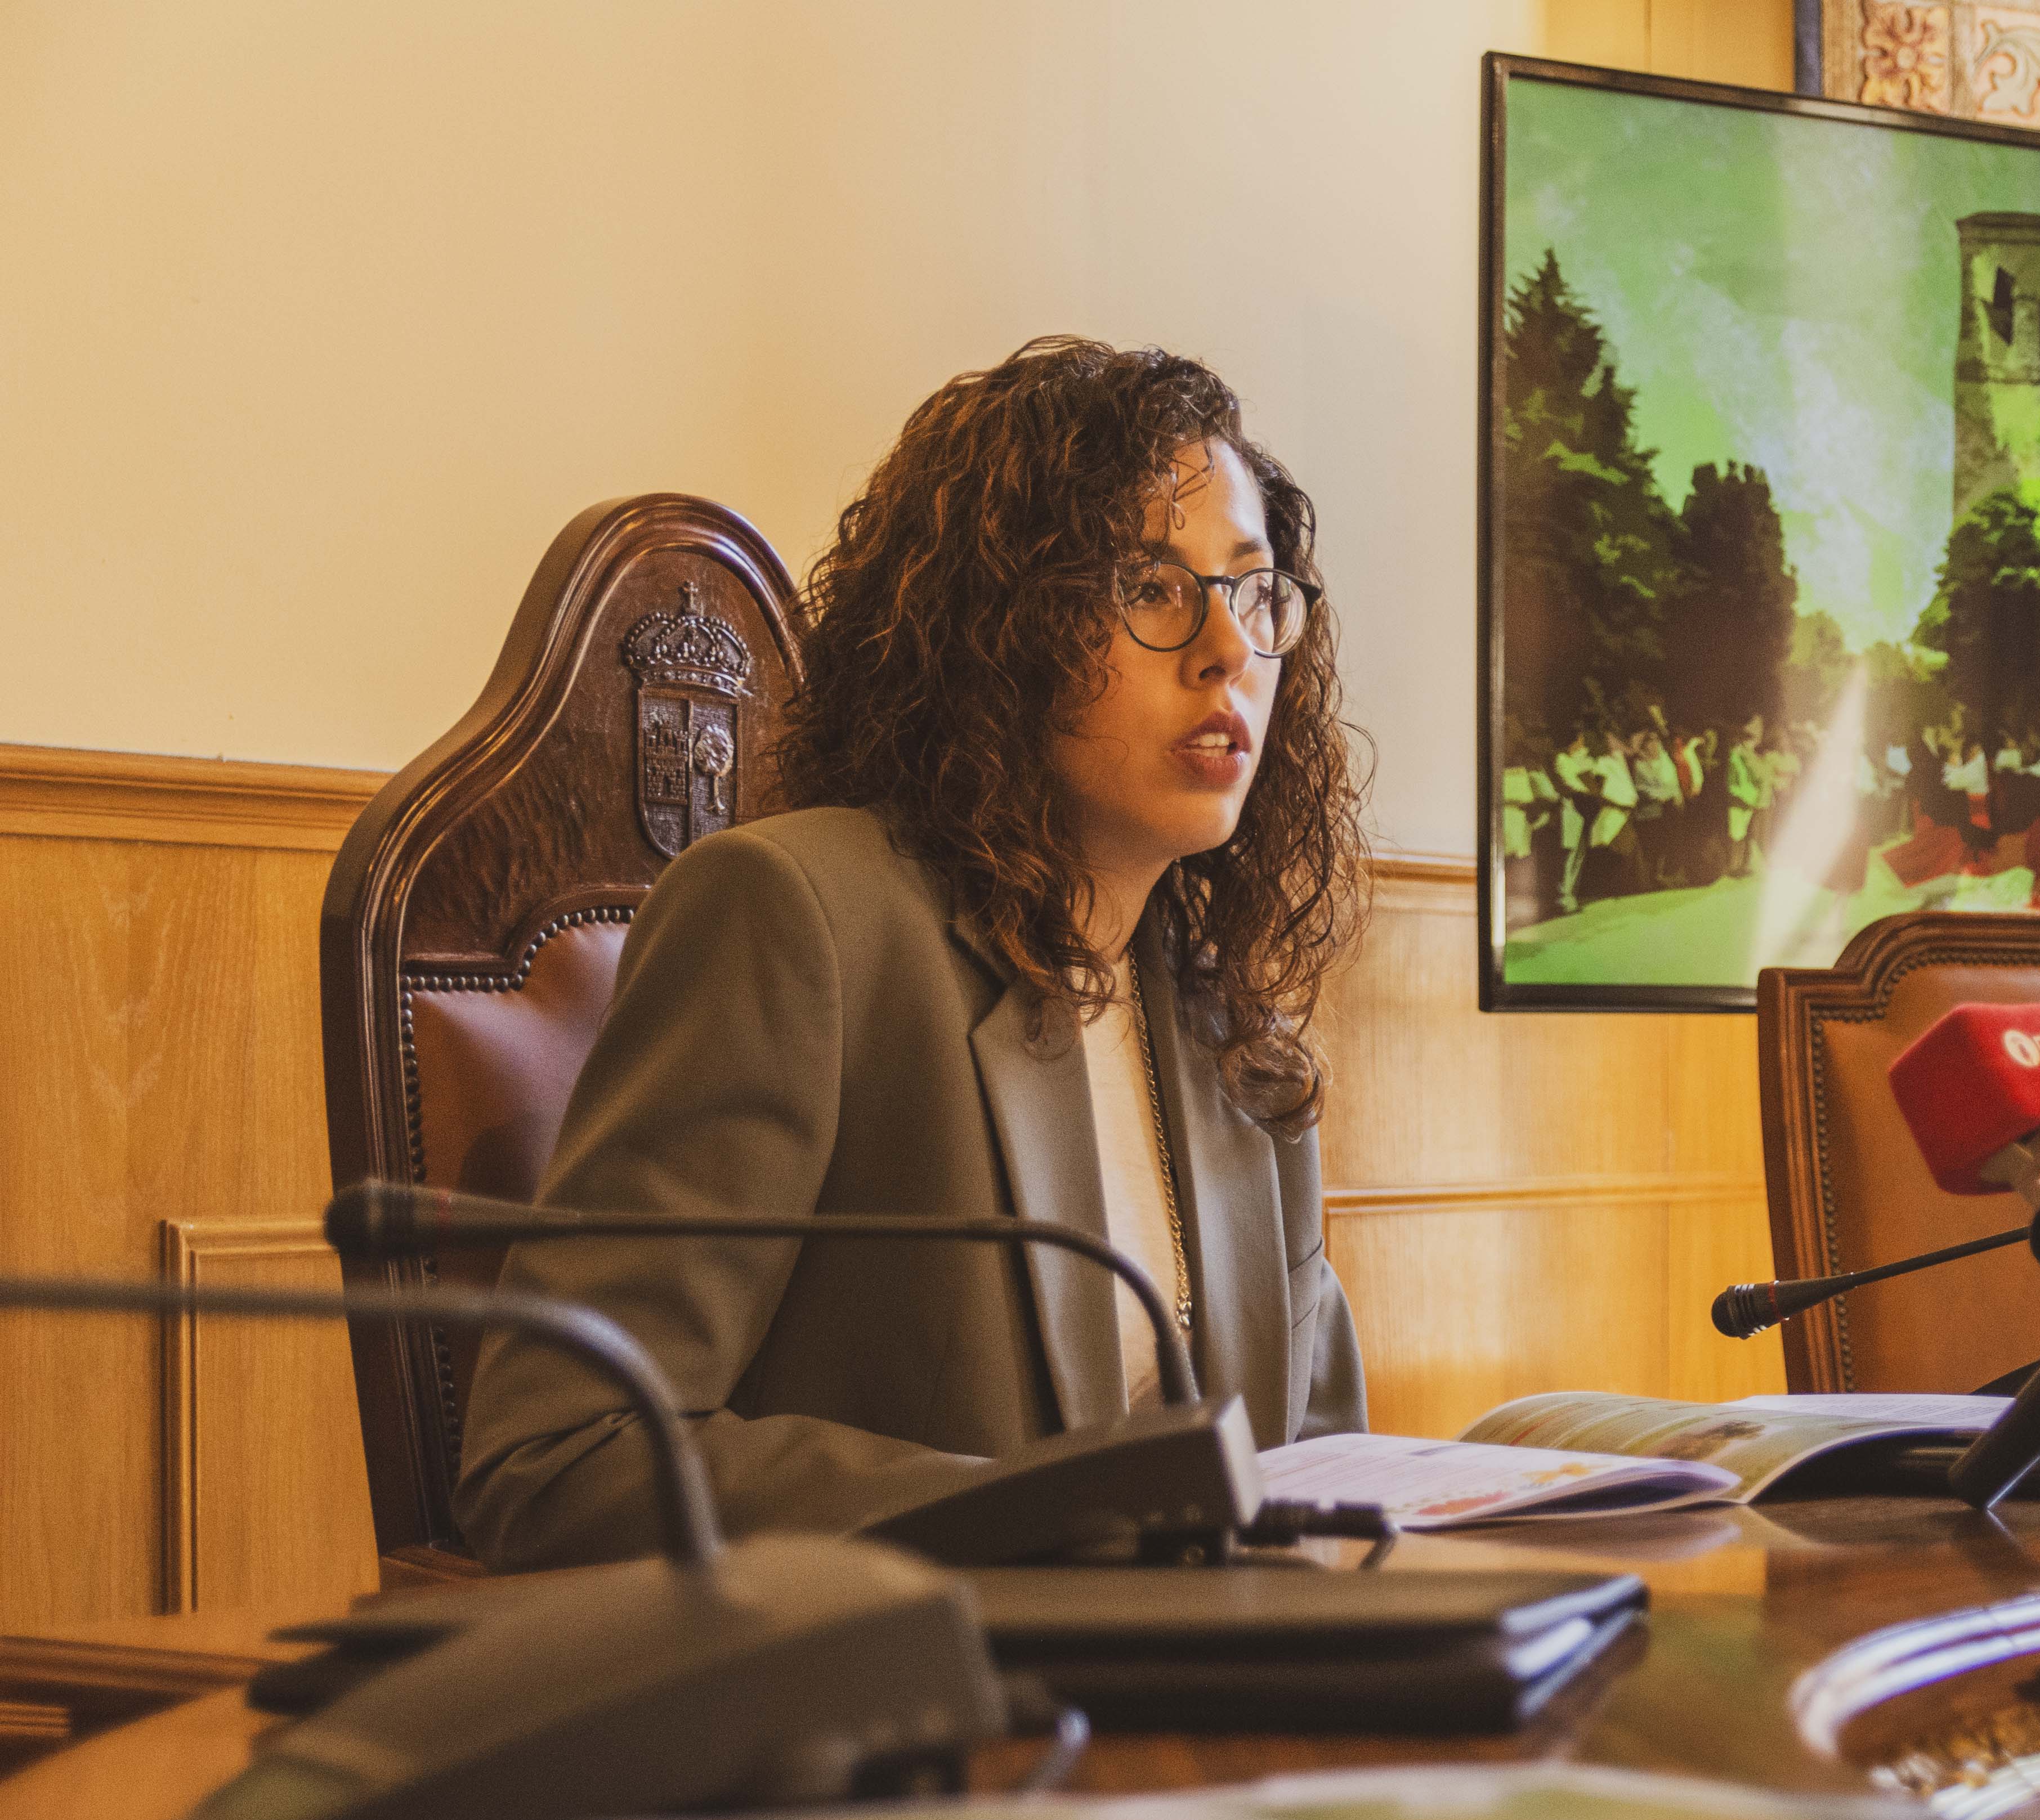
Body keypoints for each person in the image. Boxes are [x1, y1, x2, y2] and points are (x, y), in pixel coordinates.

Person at [454, 339, 1371, 1571]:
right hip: (915, 1723)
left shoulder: (1238, 1034)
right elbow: (561, 1456)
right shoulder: (797, 919)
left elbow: (1319, 1473)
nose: (1228, 653)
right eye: (1153, 586)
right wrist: (1031, 1512)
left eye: (1256, 594)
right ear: (1004, 627)